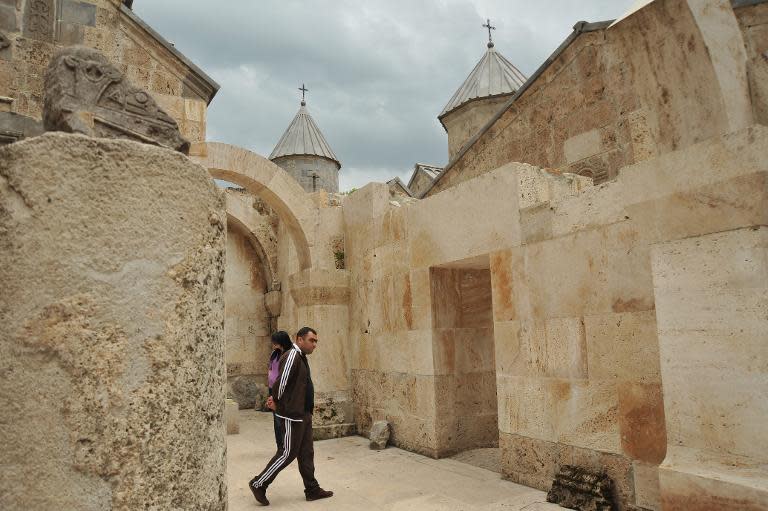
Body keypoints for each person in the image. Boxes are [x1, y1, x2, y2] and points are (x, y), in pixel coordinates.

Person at [249, 327, 334, 506]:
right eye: (312, 340)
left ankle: (312, 489)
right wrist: (277, 402)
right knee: (287, 453)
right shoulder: (292, 356)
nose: (315, 345)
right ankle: (259, 483)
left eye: (316, 341)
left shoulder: (301, 357)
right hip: (292, 415)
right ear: (299, 339)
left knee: (306, 453)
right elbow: (281, 382)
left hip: (303, 414)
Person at [267, 331, 292, 451]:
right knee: (276, 419)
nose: (273, 344)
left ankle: (286, 445)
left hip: (282, 390)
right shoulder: (274, 354)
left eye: (275, 342)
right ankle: (280, 446)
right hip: (272, 389)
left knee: (282, 418)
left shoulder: (288, 355)